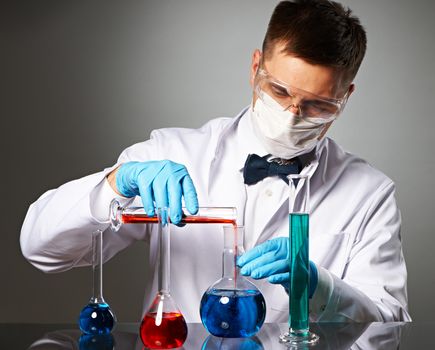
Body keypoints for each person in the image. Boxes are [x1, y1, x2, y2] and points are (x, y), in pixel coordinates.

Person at [20, 0, 411, 322]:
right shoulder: (171, 154)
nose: (293, 114)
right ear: (255, 66)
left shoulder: (368, 194)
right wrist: (116, 183)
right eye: (278, 90)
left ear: (346, 97)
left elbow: (388, 324)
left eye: (318, 105)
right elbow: (42, 249)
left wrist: (319, 286)